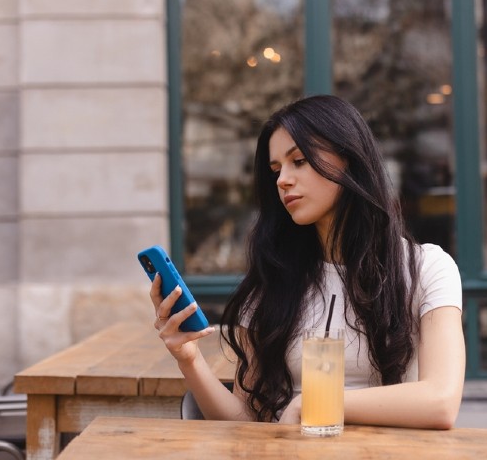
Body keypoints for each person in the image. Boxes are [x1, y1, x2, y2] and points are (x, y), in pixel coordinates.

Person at [151, 94, 465, 429]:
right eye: (276, 169)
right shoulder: (273, 279)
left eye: (298, 161)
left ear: (349, 159)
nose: (282, 179)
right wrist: (189, 360)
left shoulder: (426, 268)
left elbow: (441, 402)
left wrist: (315, 402)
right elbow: (245, 421)